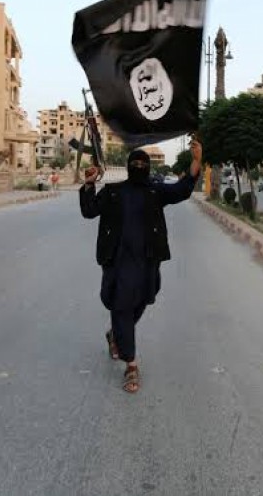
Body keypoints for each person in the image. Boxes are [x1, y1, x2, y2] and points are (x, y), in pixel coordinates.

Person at [79, 138, 202, 394]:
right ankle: (131, 364)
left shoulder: (156, 191)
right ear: (128, 166)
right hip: (118, 261)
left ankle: (116, 334)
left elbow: (182, 189)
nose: (138, 166)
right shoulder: (113, 191)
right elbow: (89, 211)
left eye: (142, 163)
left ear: (147, 167)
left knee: (144, 300)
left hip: (147, 260)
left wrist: (197, 161)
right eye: (134, 163)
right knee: (121, 305)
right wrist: (89, 184)